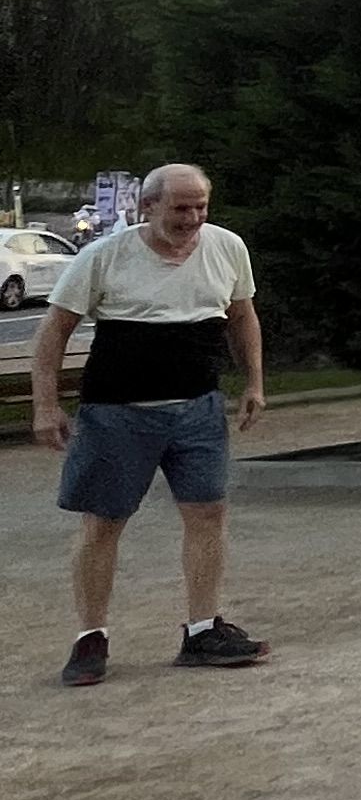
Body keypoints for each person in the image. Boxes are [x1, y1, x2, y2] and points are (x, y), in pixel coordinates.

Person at [33, 162, 269, 683]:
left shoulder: (227, 248)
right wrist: (45, 406)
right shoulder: (105, 256)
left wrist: (253, 383)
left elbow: (242, 315)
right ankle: (90, 638)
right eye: (181, 208)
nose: (193, 218)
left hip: (199, 410)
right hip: (117, 414)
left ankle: (203, 628)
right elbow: (54, 331)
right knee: (103, 523)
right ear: (148, 206)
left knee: (208, 514)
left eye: (201, 207)